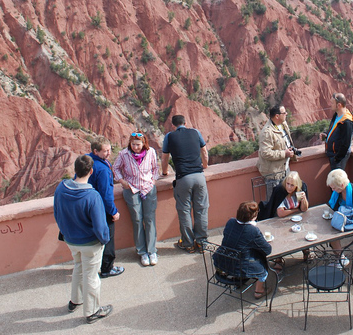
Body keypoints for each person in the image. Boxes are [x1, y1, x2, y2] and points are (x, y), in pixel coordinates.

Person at [54, 155, 112, 324]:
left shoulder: (61, 188)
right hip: (90, 243)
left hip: (71, 240)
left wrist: (65, 232)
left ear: (75, 170)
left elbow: (57, 212)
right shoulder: (92, 196)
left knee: (79, 268)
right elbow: (100, 226)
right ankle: (92, 311)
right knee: (92, 276)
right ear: (91, 171)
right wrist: (104, 240)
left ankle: (75, 300)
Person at [162, 114, 210, 253]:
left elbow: (165, 158)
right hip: (199, 176)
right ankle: (202, 242)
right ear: (185, 122)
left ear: (173, 125)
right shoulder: (195, 132)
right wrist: (205, 165)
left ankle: (188, 244)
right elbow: (204, 152)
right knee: (201, 209)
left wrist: (164, 172)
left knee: (184, 211)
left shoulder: (169, 137)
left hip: (183, 178)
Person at [112, 132, 160, 267]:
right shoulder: (123, 154)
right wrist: (122, 181)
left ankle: (152, 251)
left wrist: (154, 180)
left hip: (148, 188)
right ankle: (142, 252)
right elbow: (115, 168)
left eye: (138, 145)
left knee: (150, 219)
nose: (135, 147)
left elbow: (155, 168)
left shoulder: (151, 152)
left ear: (143, 143)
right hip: (131, 189)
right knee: (137, 220)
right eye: (133, 144)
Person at [214, 201, 272, 299]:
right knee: (263, 265)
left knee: (241, 251)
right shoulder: (253, 231)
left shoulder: (231, 222)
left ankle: (238, 281)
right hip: (239, 268)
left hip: (221, 262)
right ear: (254, 216)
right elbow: (267, 250)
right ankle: (259, 291)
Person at [86, 137, 124, 278]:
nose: (109, 153)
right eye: (105, 151)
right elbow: (106, 194)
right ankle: (107, 268)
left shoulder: (86, 160)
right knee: (107, 238)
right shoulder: (102, 168)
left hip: (88, 207)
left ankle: (91, 266)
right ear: (96, 151)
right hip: (102, 209)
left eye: (110, 150)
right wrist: (113, 212)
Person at [256, 104, 296, 199]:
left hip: (285, 169)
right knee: (273, 200)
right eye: (284, 113)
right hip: (273, 174)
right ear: (277, 116)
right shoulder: (267, 132)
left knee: (287, 197)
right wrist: (284, 153)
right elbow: (265, 153)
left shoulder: (283, 124)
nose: (286, 114)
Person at [319, 93, 353, 170]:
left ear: (339, 105)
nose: (330, 104)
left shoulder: (347, 122)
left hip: (338, 158)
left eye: (332, 103)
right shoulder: (336, 115)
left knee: (338, 180)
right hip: (333, 155)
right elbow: (334, 128)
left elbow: (345, 144)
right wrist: (327, 134)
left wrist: (337, 159)